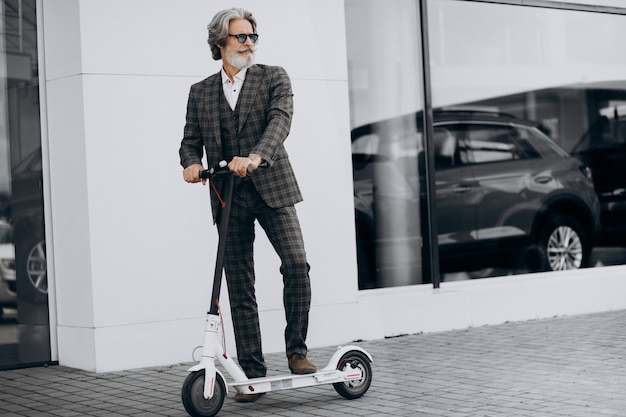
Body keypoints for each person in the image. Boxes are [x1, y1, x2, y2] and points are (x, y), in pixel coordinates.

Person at [179, 7, 316, 403]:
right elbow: (190, 139)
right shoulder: (200, 91)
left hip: (272, 186)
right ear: (220, 43)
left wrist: (256, 156)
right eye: (241, 37)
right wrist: (190, 163)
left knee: (295, 263)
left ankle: (297, 352)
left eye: (253, 37)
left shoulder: (274, 77)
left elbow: (280, 121)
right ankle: (252, 371)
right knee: (240, 284)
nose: (249, 44)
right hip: (228, 196)